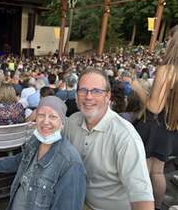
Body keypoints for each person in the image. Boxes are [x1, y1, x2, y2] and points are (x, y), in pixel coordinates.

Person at [64, 68, 154, 210]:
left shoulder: (125, 137)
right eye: (83, 90)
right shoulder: (72, 122)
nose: (88, 96)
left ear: (108, 96)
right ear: (76, 96)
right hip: (75, 200)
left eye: (96, 91)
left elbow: (142, 198)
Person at [0, 96, 86, 210]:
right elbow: (21, 159)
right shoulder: (35, 141)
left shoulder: (71, 164)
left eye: (53, 116)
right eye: (41, 115)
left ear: (63, 123)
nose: (46, 121)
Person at [130, 25, 178, 210]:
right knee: (157, 171)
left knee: (150, 172)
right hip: (171, 126)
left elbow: (154, 107)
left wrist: (138, 87)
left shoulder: (167, 70)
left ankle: (148, 206)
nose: (164, 44)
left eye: (167, 40)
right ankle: (156, 206)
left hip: (156, 126)